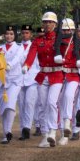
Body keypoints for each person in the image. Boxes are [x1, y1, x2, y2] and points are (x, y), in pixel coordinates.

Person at [22, 11, 64, 148]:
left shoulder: (60, 38)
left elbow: (69, 52)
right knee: (42, 105)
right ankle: (45, 135)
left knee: (52, 103)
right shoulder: (38, 40)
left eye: (50, 22)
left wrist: (62, 58)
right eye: (45, 22)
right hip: (43, 75)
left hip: (56, 75)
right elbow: (31, 54)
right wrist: (26, 65)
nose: (47, 24)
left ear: (55, 24)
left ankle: (52, 130)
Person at [0, 25, 25, 144]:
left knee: (10, 105)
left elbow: (17, 59)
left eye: (11, 34)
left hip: (15, 80)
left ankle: (8, 131)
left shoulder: (19, 48)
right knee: (3, 108)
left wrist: (8, 65)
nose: (9, 36)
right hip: (2, 81)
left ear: (15, 36)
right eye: (7, 34)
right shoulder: (0, 48)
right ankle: (5, 133)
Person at [17, 24, 39, 141]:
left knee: (29, 103)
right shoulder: (17, 47)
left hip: (32, 79)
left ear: (31, 35)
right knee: (21, 104)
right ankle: (22, 128)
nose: (25, 35)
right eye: (23, 33)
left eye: (27, 33)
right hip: (19, 79)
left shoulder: (35, 46)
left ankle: (27, 128)